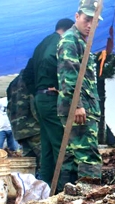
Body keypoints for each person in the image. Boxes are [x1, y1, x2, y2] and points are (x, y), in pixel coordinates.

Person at [56, 0, 102, 191]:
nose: (90, 24)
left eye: (94, 21)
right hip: (79, 109)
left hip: (83, 107)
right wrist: (77, 105)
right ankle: (89, 199)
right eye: (86, 19)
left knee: (71, 158)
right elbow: (69, 76)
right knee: (88, 156)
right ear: (77, 17)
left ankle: (65, 201)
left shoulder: (81, 41)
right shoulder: (70, 41)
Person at [23, 18, 74, 185]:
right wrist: (58, 85)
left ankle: (45, 186)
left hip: (41, 97)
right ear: (68, 30)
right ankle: (62, 189)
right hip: (51, 98)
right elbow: (50, 60)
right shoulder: (57, 42)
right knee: (62, 145)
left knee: (47, 146)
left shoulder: (41, 44)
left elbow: (27, 74)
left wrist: (37, 91)